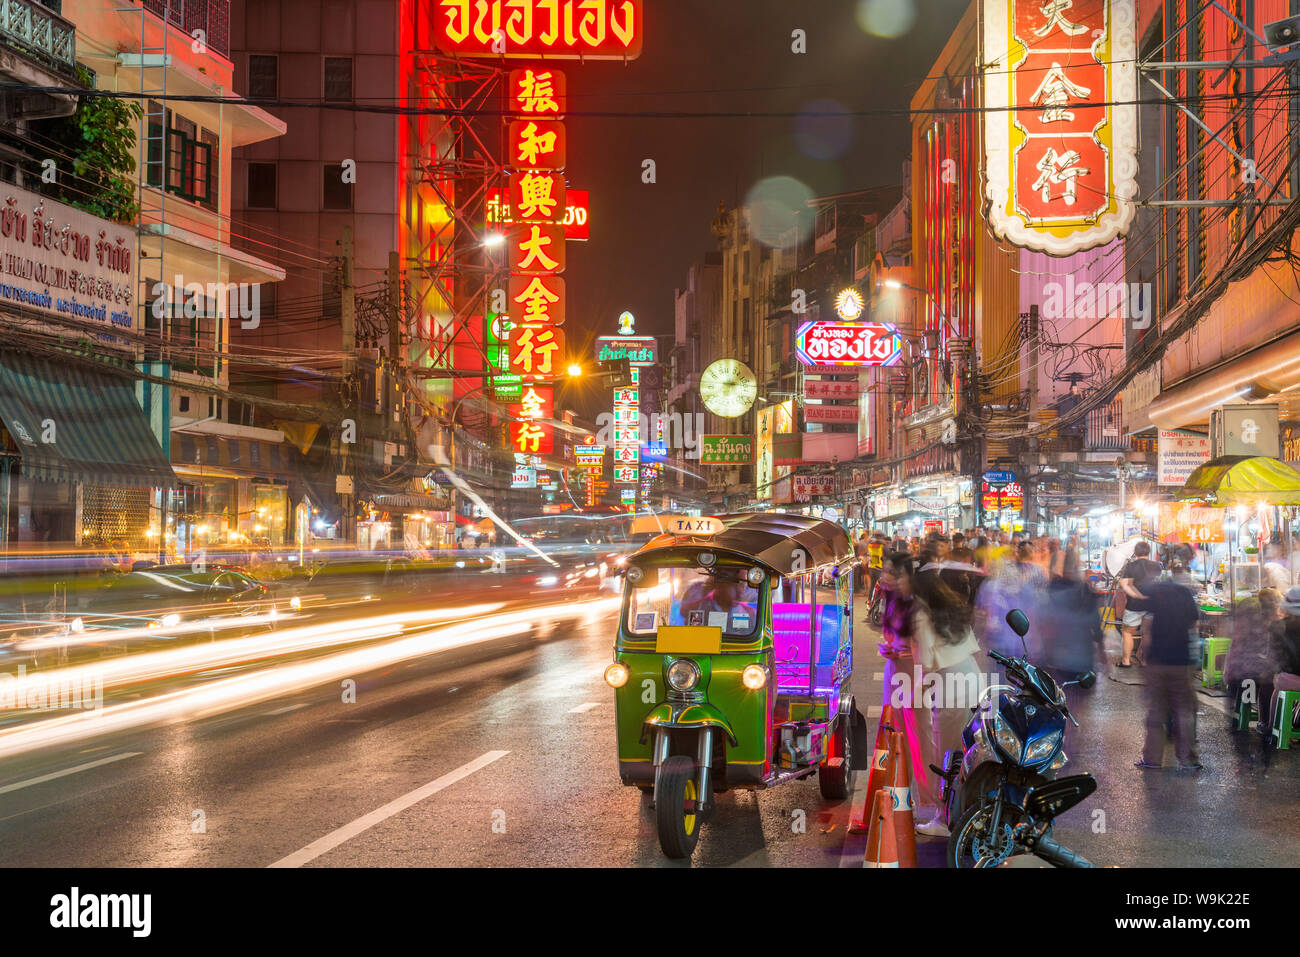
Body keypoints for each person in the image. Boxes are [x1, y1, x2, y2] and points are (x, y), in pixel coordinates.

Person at [909, 573, 987, 837]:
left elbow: (925, 664)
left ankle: (944, 820)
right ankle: (969, 813)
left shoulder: (921, 615)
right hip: (974, 680)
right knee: (969, 754)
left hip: (951, 689)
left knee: (949, 757)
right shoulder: (952, 607)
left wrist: (914, 696)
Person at [1123, 571, 1203, 770]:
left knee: (1156, 710)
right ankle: (1188, 759)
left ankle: (1152, 759)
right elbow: (1194, 625)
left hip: (1157, 660)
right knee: (1183, 710)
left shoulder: (1155, 594)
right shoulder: (1185, 594)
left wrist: (1143, 654)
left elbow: (1147, 628)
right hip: (1181, 660)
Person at [876, 553, 931, 808]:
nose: (883, 576)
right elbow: (893, 640)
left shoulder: (916, 608)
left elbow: (923, 657)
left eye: (889, 572)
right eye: (884, 571)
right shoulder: (891, 601)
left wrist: (917, 689)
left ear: (903, 576)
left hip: (911, 675)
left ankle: (931, 804)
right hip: (895, 671)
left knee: (919, 738)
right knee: (897, 735)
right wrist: (889, 651)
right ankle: (899, 796)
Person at [1040, 547, 1105, 680]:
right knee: (1079, 695)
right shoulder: (1084, 590)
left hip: (1058, 656)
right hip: (1082, 656)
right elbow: (1095, 622)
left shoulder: (1053, 588)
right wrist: (1101, 647)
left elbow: (1045, 621)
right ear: (1077, 566)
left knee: (1061, 694)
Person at [1225, 592, 1281, 741]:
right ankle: (1266, 722)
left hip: (1238, 674)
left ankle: (1258, 720)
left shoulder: (1249, 626)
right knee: (1267, 682)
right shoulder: (1266, 626)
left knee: (1267, 680)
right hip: (1244, 674)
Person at [1118, 541, 1161, 668]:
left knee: (1127, 632)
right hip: (1152, 603)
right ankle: (1145, 660)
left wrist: (1135, 595)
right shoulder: (1157, 566)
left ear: (1135, 552)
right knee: (1147, 632)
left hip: (1134, 605)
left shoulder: (1130, 566)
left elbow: (1124, 585)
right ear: (1148, 552)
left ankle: (1126, 661)